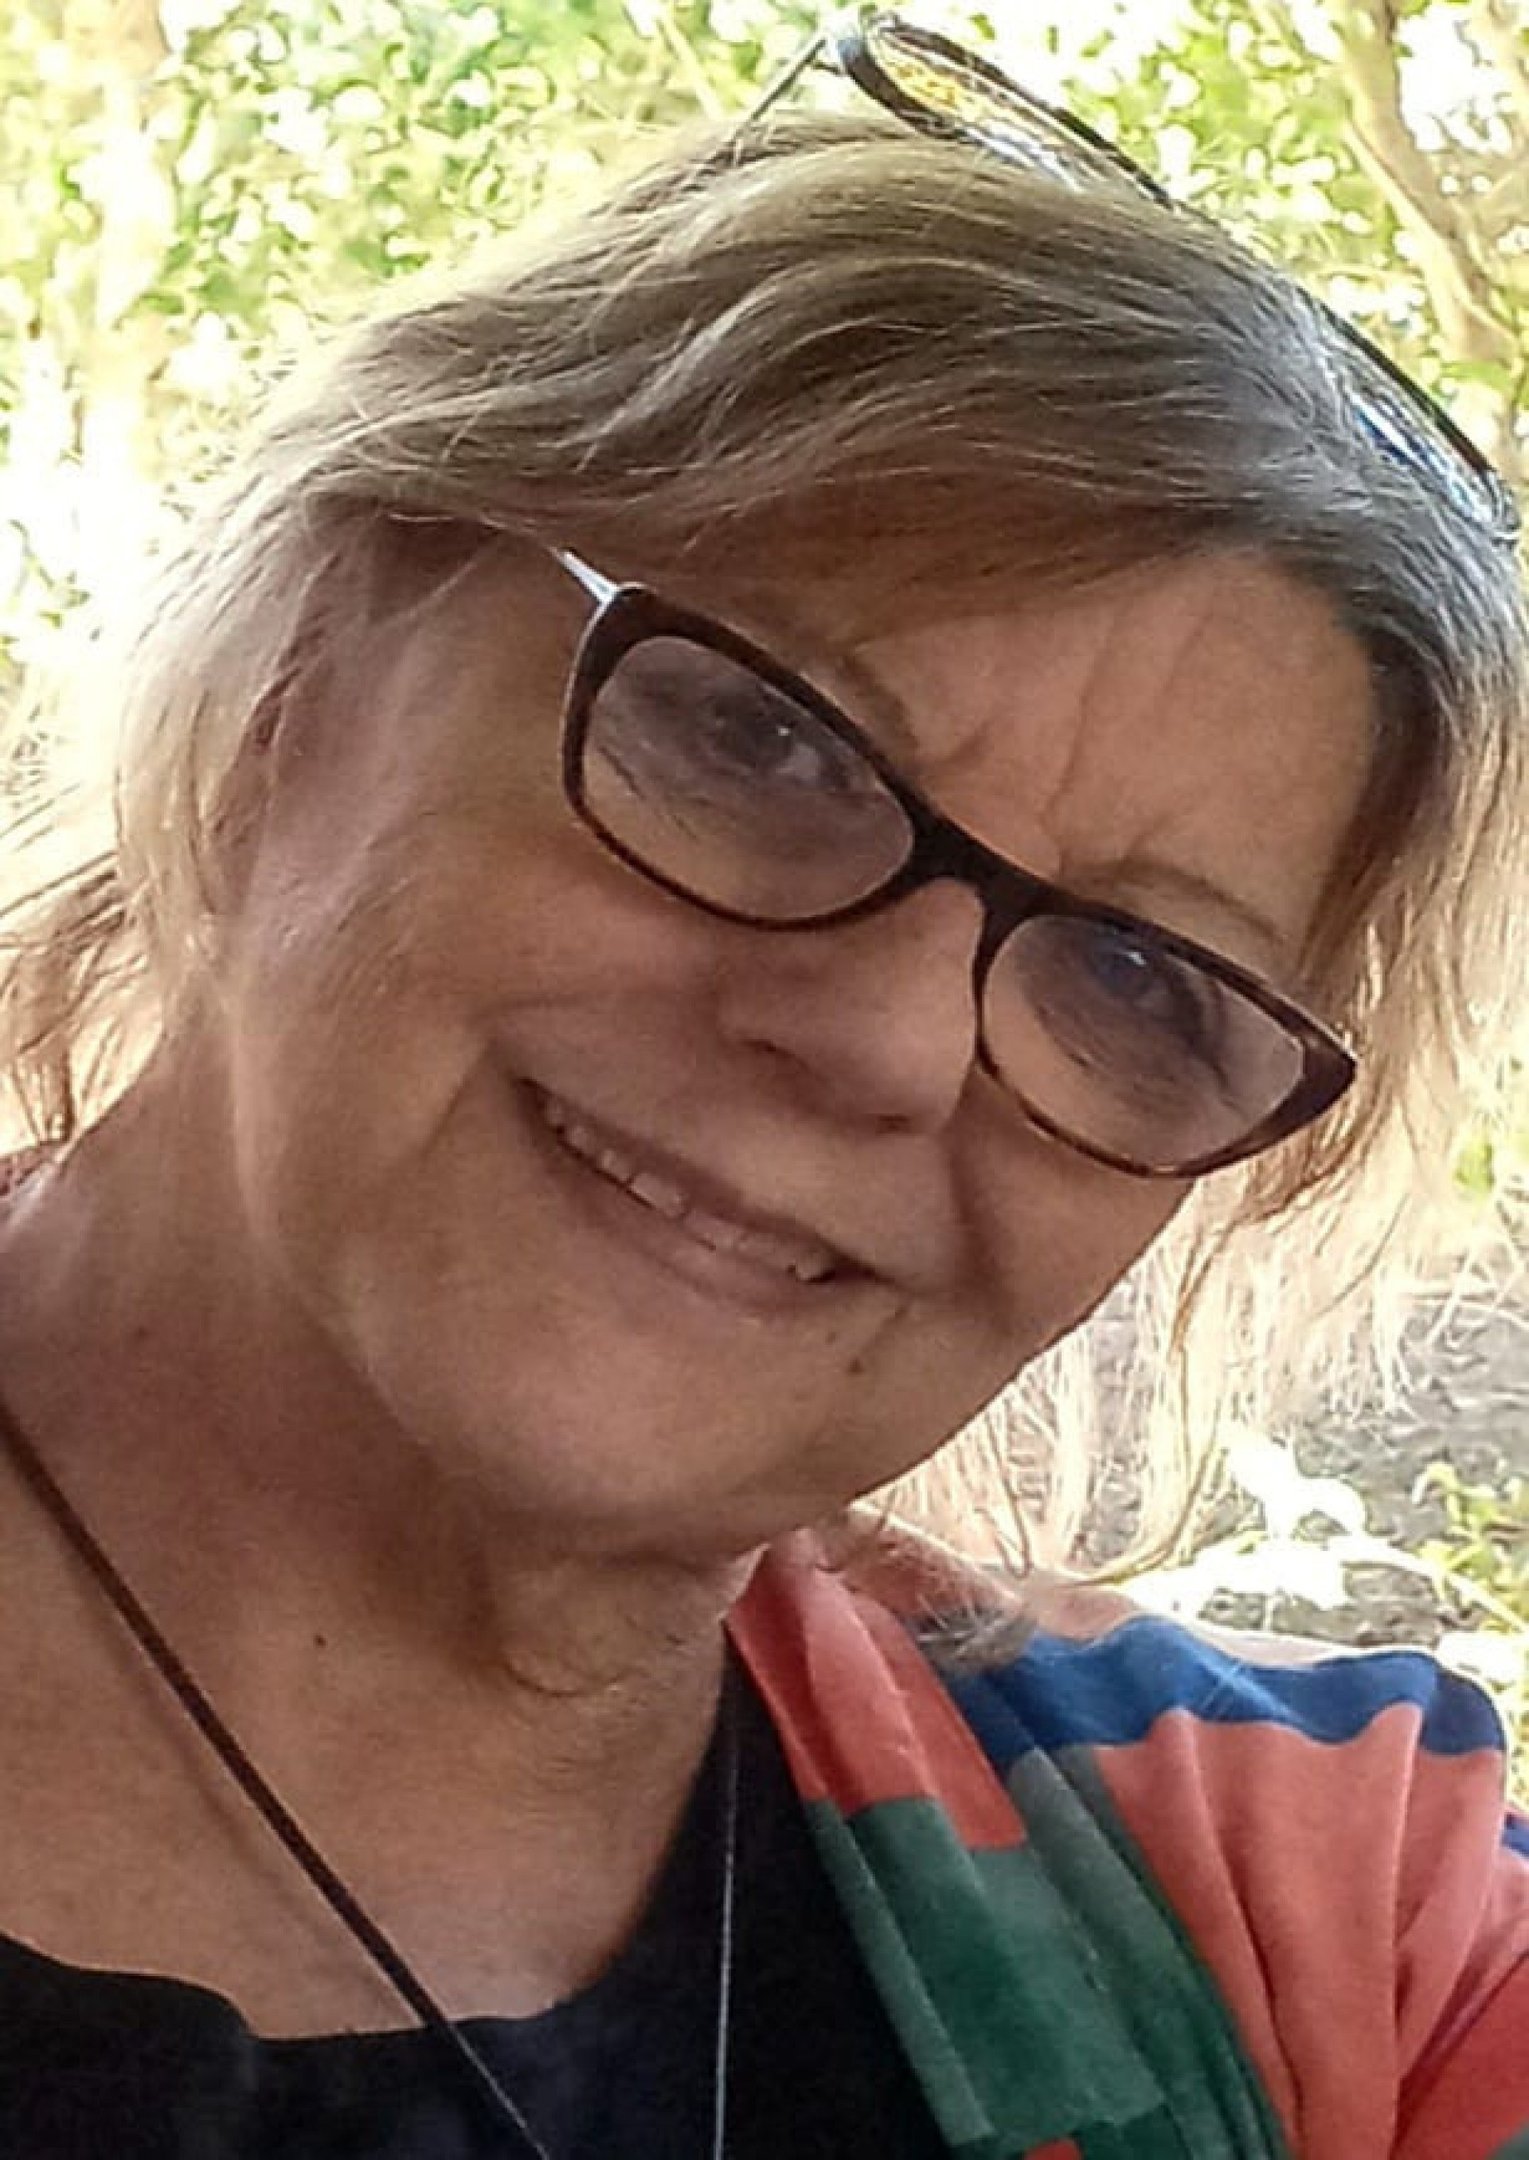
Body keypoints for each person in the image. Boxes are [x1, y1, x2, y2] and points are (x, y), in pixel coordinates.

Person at [0, 13, 1524, 2157]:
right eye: (766, 741)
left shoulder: (1340, 1930)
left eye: (1137, 979)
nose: (886, 1040)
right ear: (301, 675)